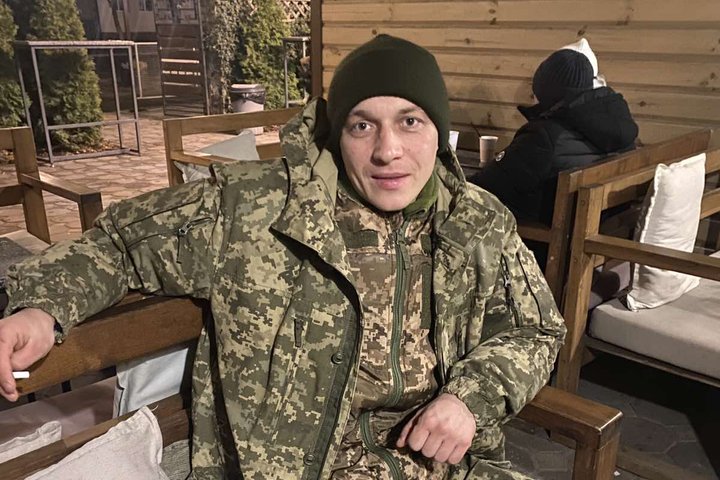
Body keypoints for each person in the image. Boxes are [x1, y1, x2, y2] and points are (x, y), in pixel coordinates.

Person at [0, 35, 565, 479]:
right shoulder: (252, 209)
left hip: (449, 466)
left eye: (410, 121)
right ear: (337, 133)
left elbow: (537, 328)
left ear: (439, 131)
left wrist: (469, 399)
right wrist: (41, 309)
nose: (388, 150)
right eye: (362, 125)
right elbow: (119, 242)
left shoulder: (476, 221)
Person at [469, 39, 638, 230]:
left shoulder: (545, 137)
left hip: (535, 238)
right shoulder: (621, 129)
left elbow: (484, 187)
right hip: (598, 233)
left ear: (548, 91)